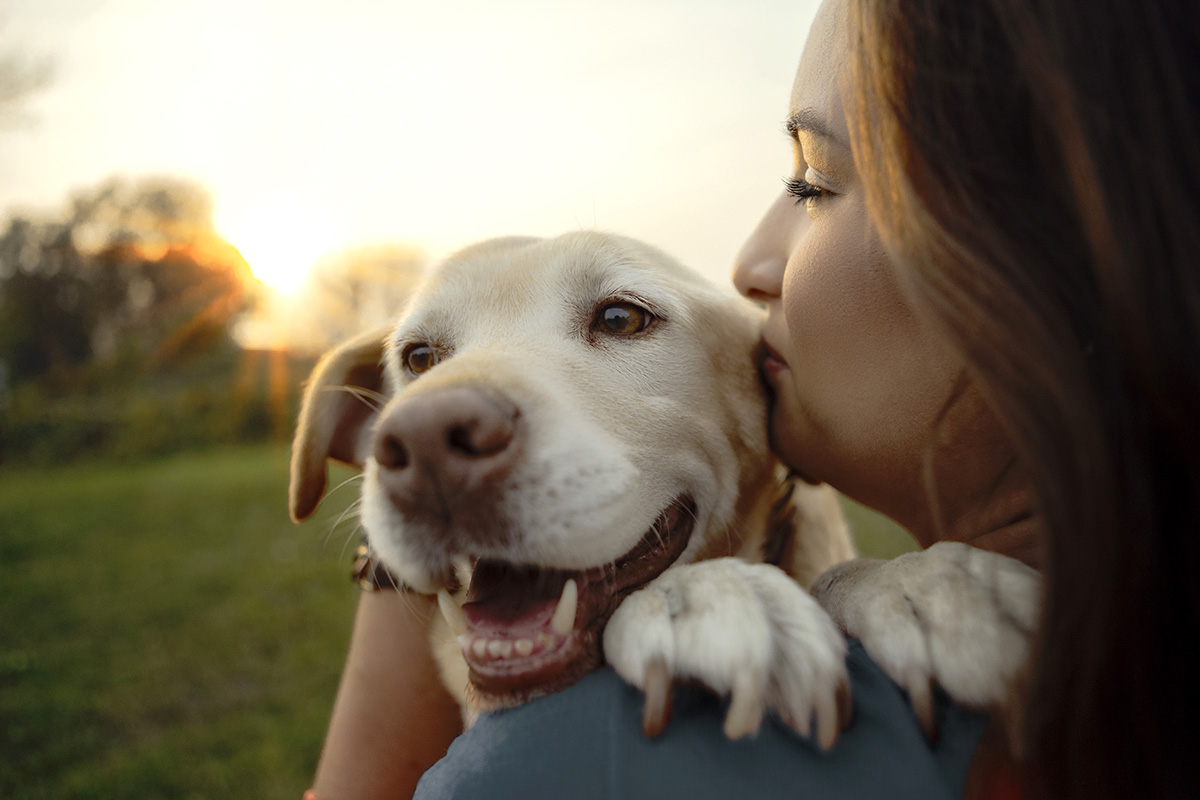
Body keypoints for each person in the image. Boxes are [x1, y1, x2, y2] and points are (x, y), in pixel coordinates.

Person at [305, 0, 1200, 797]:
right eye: (420, 359)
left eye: (814, 183)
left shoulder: (580, 762)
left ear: (1067, 248)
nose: (749, 266)